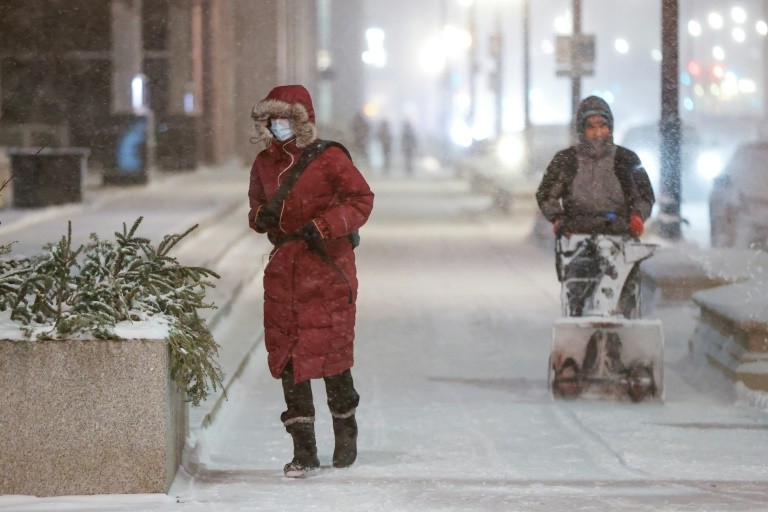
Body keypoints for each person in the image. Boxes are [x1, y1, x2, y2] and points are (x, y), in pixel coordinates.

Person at [248, 84, 374, 478]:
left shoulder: (329, 158)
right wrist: (259, 219)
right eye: (271, 120)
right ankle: (303, 450)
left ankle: (345, 428)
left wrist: (325, 225)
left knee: (331, 353)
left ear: (302, 121)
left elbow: (360, 200)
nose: (277, 126)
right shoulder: (263, 163)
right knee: (289, 357)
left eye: (285, 119)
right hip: (285, 269)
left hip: (326, 266)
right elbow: (255, 203)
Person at [536, 96, 655, 316]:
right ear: (581, 129)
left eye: (602, 126)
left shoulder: (626, 160)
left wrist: (638, 217)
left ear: (610, 127)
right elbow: (546, 195)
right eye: (591, 127)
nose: (598, 133)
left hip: (619, 236)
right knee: (578, 298)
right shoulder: (566, 161)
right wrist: (558, 219)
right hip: (578, 240)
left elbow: (644, 195)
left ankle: (623, 338)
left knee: (622, 300)